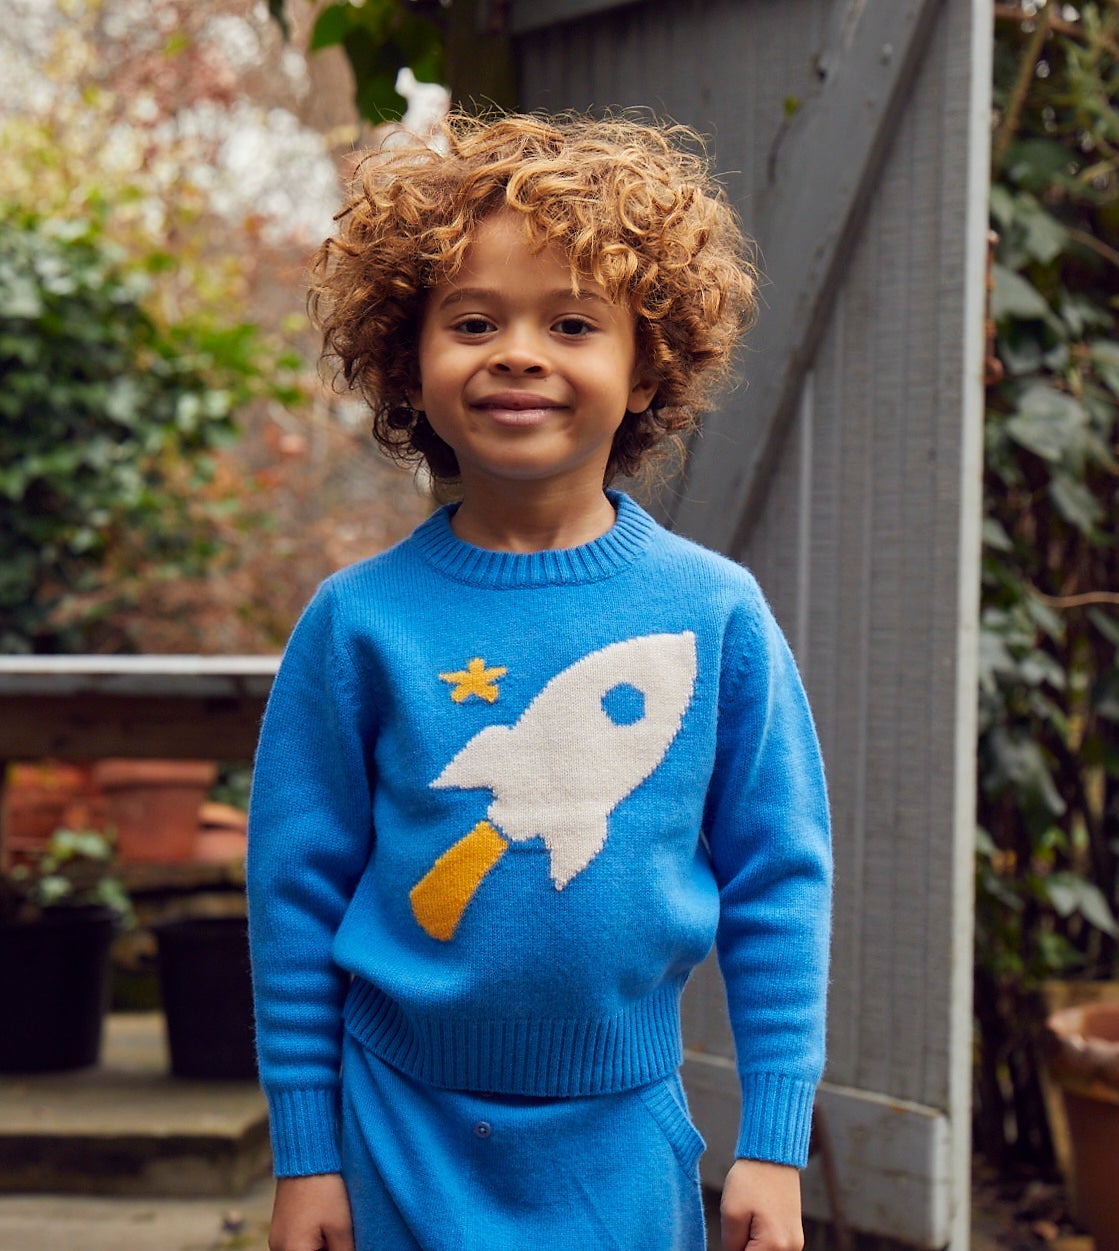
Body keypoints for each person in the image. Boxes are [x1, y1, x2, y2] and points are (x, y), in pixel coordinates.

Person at [245, 112, 832, 1251]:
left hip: (620, 1142)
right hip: (392, 1129)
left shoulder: (714, 615)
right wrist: (306, 1153)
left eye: (570, 322)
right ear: (407, 361)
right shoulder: (356, 625)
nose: (517, 353)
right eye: (473, 322)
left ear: (645, 365)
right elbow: (292, 897)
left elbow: (780, 880)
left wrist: (772, 1140)